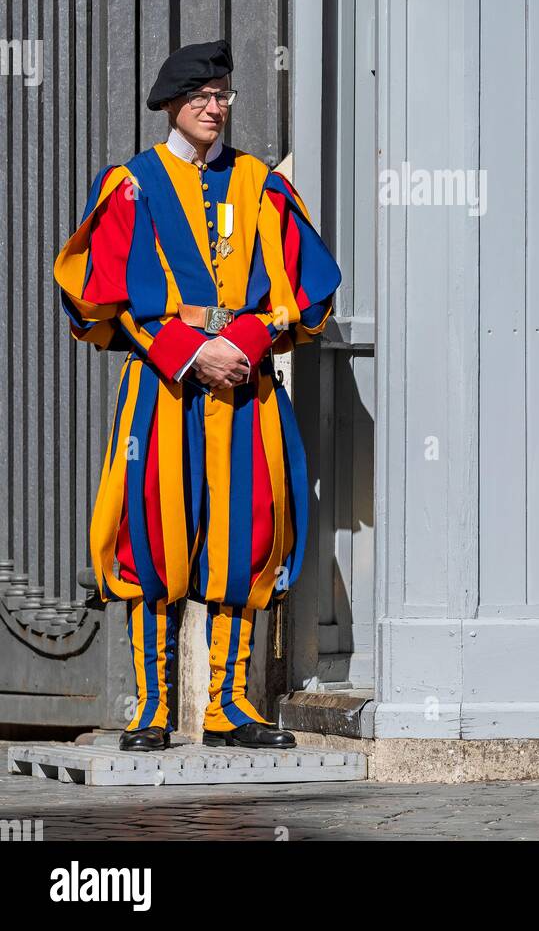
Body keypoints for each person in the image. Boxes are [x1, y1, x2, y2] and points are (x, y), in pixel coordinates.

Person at [54, 40, 341, 752]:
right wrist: (191, 352)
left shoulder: (261, 186)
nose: (215, 108)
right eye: (201, 97)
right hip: (163, 389)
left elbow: (307, 287)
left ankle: (229, 708)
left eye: (223, 95)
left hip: (246, 388)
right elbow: (100, 294)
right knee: (154, 536)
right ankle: (152, 709)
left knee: (244, 537)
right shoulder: (132, 185)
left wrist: (239, 347)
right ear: (172, 106)